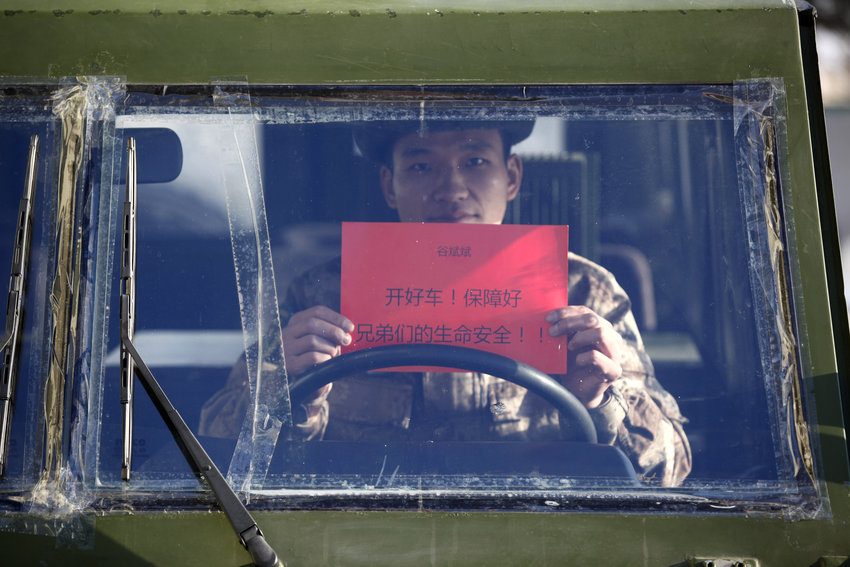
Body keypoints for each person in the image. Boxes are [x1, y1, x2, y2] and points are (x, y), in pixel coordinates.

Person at [200, 119, 691, 487]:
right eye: (420, 166)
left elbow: (667, 473)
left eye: (475, 161)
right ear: (389, 186)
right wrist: (288, 396)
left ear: (512, 177)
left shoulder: (585, 293)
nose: (451, 189)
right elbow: (221, 458)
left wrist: (600, 401)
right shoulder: (319, 295)